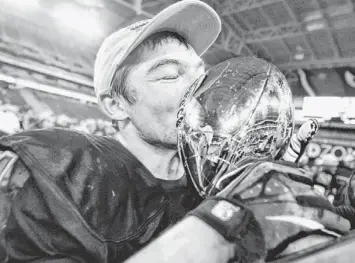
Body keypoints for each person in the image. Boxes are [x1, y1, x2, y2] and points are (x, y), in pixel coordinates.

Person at [0, 2, 349, 263]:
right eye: (169, 75)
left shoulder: (211, 176)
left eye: (199, 73)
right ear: (116, 105)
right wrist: (218, 228)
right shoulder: (58, 172)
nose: (197, 88)